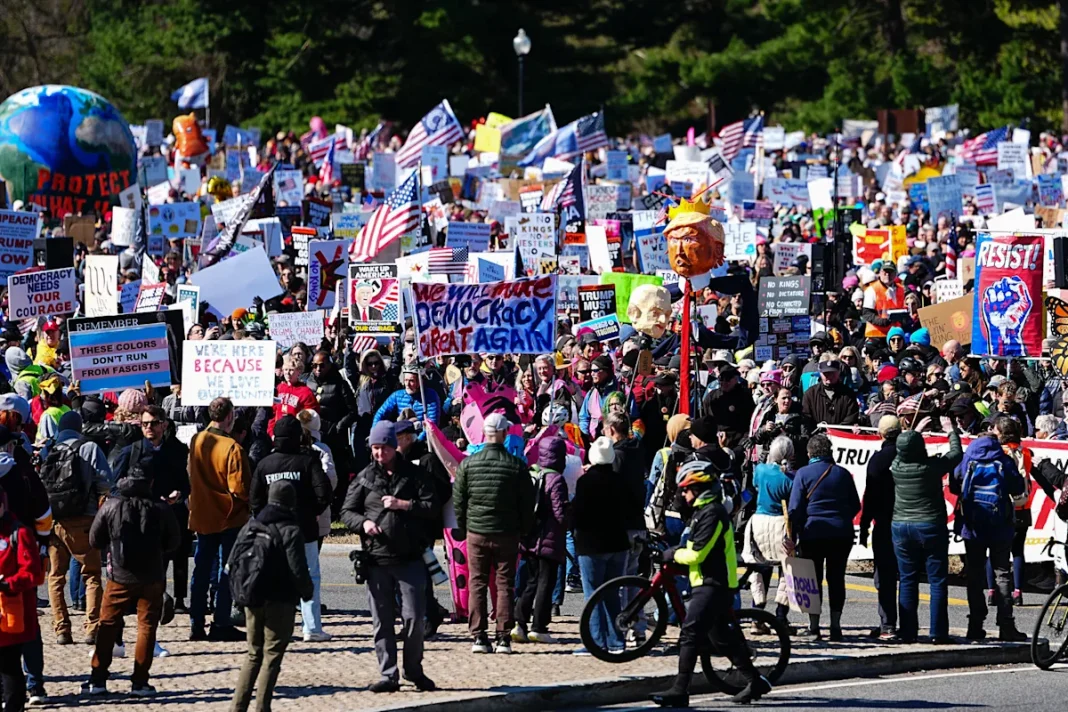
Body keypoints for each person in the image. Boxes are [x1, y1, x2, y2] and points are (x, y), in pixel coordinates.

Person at [650, 462, 771, 708]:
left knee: (689, 633)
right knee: (722, 639)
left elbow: (697, 553)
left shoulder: (713, 514)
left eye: (686, 489)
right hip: (707, 582)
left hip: (713, 584)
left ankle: (680, 690)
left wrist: (672, 554)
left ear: (700, 489)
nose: (683, 494)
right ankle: (755, 681)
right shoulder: (701, 513)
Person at [341, 422, 436, 692]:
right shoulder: (364, 478)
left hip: (410, 558)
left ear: (394, 447)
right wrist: (363, 523)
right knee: (381, 621)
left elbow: (432, 506)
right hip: (376, 560)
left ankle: (413, 670)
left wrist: (405, 505)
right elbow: (346, 512)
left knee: (415, 618)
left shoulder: (415, 475)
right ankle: (388, 674)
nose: (379, 453)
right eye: (375, 448)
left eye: (383, 448)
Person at [84, 462, 180, 696]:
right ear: (151, 482)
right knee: (146, 627)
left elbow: (95, 540)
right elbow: (174, 542)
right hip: (152, 576)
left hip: (119, 575)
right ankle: (140, 682)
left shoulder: (112, 505)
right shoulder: (161, 507)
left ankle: (98, 680)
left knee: (107, 625)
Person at [452, 413, 534, 655]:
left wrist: (465, 526)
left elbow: (459, 501)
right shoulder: (516, 465)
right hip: (507, 532)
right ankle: (503, 637)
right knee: (504, 584)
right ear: (505, 434)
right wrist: (523, 529)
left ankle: (479, 635)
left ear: (484, 433)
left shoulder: (468, 464)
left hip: (476, 531)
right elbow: (527, 503)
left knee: (477, 582)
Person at [230, 480, 314, 712]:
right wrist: (307, 593)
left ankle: (237, 707)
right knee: (272, 655)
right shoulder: (291, 530)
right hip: (279, 599)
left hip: (252, 596)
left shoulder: (252, 525)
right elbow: (298, 569)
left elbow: (233, 560)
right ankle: (262, 707)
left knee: (253, 654)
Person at [249, 415, 332, 642]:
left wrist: (265, 520)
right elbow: (324, 492)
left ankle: (273, 627)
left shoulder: (265, 464)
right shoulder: (308, 461)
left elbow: (254, 499)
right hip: (304, 528)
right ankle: (311, 628)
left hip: (272, 532)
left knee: (274, 577)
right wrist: (313, 512)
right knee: (310, 575)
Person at [952, 416, 1028, 641]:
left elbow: (955, 485)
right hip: (1000, 525)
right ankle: (1006, 624)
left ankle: (975, 624)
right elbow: (1017, 488)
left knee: (974, 574)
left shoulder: (968, 458)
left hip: (973, 525)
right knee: (1002, 573)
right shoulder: (1003, 459)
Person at [111, 405, 192, 614]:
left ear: (163, 425)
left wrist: (179, 494)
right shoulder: (131, 451)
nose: (149, 428)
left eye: (154, 423)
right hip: (140, 516)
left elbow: (186, 483)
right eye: (145, 423)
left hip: (170, 512)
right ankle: (141, 600)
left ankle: (178, 599)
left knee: (178, 553)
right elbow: (115, 486)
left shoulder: (177, 450)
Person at [40, 410, 111, 646]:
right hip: (84, 519)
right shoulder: (89, 448)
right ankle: (92, 628)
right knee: (91, 575)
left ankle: (62, 629)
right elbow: (105, 482)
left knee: (55, 576)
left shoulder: (49, 448)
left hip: (55, 520)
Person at [889, 421, 962, 643]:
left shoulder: (896, 466)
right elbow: (956, 454)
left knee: (907, 579)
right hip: (930, 524)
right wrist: (951, 431)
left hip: (901, 525)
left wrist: (913, 432)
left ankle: (908, 631)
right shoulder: (932, 467)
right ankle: (938, 633)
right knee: (937, 580)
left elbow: (904, 448)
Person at [187, 397, 252, 641]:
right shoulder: (232, 447)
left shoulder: (197, 439)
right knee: (227, 570)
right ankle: (221, 622)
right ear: (229, 417)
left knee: (201, 570)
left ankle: (196, 623)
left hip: (202, 513)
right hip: (227, 516)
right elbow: (239, 488)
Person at [787, 433, 861, 641]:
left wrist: (795, 532)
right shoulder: (842, 474)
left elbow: (794, 509)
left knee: (813, 579)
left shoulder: (803, 473)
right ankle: (836, 626)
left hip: (812, 533)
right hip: (841, 533)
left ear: (809, 452)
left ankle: (814, 626)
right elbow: (855, 505)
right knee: (837, 578)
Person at [571, 436, 631, 656]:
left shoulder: (585, 482)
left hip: (592, 544)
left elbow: (578, 514)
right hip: (618, 542)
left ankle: (596, 641)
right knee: (613, 593)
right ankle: (617, 641)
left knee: (593, 594)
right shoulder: (620, 480)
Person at [512, 436, 569, 645]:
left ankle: (519, 622)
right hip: (549, 539)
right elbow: (560, 514)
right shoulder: (556, 479)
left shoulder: (533, 473)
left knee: (531, 581)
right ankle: (539, 627)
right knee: (546, 582)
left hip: (529, 537)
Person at [742, 436, 794, 627]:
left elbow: (755, 486)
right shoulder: (791, 478)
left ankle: (757, 614)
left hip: (759, 522)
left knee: (759, 567)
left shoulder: (761, 470)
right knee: (786, 570)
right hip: (781, 523)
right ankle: (780, 616)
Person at [0, 488, 44, 712]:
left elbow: (34, 574)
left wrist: (9, 584)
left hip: (11, 614)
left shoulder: (20, 533)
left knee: (9, 667)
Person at [858, 415, 902, 640]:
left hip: (884, 523)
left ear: (880, 433)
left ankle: (888, 625)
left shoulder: (878, 460)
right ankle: (909, 625)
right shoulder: (910, 456)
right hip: (909, 521)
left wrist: (864, 524)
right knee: (907, 576)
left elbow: (870, 495)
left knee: (884, 577)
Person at [372, 367, 441, 431]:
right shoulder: (397, 395)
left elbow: (432, 423)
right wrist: (374, 431)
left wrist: (419, 438)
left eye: (411, 381)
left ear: (420, 382)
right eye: (406, 380)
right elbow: (380, 413)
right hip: (403, 435)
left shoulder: (430, 395)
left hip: (423, 435)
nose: (407, 384)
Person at [801, 360, 860, 427]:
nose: (830, 376)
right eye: (826, 373)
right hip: (816, 432)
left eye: (832, 373)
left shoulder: (848, 394)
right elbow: (806, 419)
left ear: (838, 372)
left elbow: (851, 418)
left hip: (841, 432)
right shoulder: (810, 394)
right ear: (820, 373)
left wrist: (835, 430)